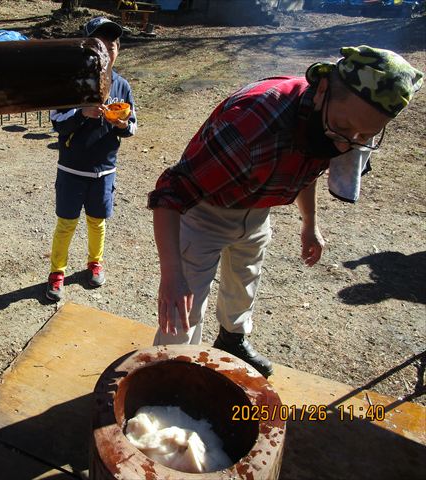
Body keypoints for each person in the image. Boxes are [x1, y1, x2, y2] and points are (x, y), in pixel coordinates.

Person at [147, 46, 423, 377]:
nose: (346, 144)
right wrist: (172, 275)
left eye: (365, 136)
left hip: (258, 208)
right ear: (322, 89)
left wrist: (310, 223)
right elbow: (170, 192)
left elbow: (306, 165)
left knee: (245, 279)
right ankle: (169, 374)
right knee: (183, 306)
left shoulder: (339, 125)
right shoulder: (252, 124)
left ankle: (232, 340)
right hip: (205, 208)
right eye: (345, 128)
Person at [45, 16, 137, 302]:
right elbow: (56, 119)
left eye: (112, 44)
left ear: (117, 50)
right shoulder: (73, 82)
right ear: (87, 48)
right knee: (66, 222)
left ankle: (94, 263)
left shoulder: (122, 85)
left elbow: (133, 124)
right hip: (72, 167)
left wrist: (122, 124)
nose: (106, 49)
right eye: (99, 43)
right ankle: (57, 272)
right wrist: (81, 113)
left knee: (98, 222)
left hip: (104, 170)